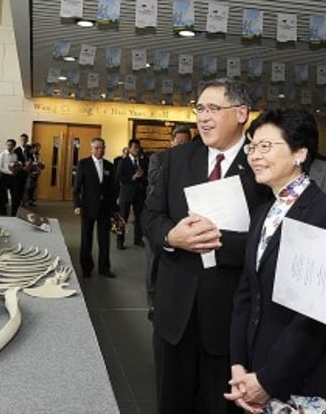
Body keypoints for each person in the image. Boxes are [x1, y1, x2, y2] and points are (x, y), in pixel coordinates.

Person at [142, 79, 270, 414]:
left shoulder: (263, 165)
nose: (203, 117)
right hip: (175, 317)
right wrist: (172, 237)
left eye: (213, 108)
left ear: (241, 113)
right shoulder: (175, 160)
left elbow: (271, 239)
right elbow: (150, 216)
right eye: (199, 108)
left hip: (230, 319)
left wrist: (217, 241)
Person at [226, 107, 326, 413]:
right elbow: (246, 294)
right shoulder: (263, 213)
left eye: (266, 147)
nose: (254, 156)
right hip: (257, 375)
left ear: (299, 153)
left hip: (308, 385)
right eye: (252, 147)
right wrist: (238, 366)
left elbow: (317, 317)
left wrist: (269, 380)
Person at [145, 124, 193, 319]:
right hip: (158, 218)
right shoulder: (159, 158)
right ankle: (152, 304)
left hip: (183, 220)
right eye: (178, 142)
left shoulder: (194, 161)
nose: (182, 146)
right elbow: (154, 178)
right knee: (152, 265)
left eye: (185, 143)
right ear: (171, 141)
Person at [72, 137, 115, 278]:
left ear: (105, 148)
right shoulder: (83, 164)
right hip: (87, 207)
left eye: (101, 147)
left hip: (104, 209)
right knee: (86, 239)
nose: (99, 150)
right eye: (96, 147)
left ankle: (104, 268)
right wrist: (77, 205)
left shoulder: (109, 165)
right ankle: (86, 268)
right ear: (91, 149)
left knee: (104, 240)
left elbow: (112, 189)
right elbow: (77, 188)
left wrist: (114, 209)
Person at [115, 138, 148, 250]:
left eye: (138, 148)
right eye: (134, 148)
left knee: (139, 217)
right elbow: (119, 178)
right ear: (129, 149)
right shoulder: (123, 161)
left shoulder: (143, 161)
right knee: (122, 218)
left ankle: (138, 239)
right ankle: (120, 240)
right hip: (126, 193)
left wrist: (142, 176)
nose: (136, 150)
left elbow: (147, 177)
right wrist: (132, 177)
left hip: (139, 194)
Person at [0, 139, 17, 215]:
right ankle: (3, 211)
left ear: (14, 146)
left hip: (12, 177)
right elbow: (0, 167)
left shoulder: (15, 155)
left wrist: (14, 171)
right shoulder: (2, 154)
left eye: (11, 145)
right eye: (8, 145)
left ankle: (14, 212)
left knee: (14, 194)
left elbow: (15, 165)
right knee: (3, 195)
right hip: (4, 176)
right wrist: (9, 172)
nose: (9, 146)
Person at [25, 141, 45, 207]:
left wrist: (41, 165)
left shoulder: (37, 155)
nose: (38, 149)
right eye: (37, 148)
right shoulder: (28, 154)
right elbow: (28, 163)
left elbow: (40, 161)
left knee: (33, 187)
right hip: (30, 173)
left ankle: (31, 200)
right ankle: (27, 200)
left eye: (39, 148)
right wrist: (34, 163)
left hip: (36, 172)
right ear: (33, 148)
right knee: (29, 187)